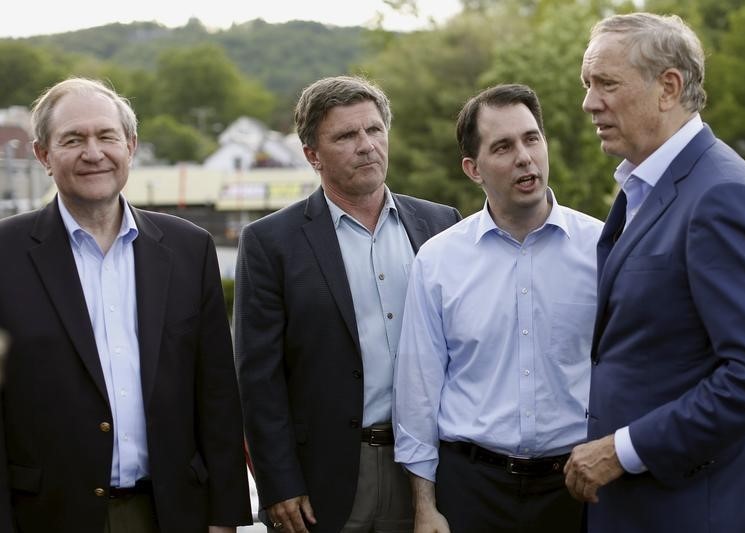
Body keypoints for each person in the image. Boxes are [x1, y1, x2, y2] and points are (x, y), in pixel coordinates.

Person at [565, 12, 745, 532]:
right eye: (587, 85)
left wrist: (622, 450)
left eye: (606, 83)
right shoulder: (646, 188)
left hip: (698, 511)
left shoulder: (721, 194)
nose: (589, 102)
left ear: (668, 87)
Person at [0, 78, 252, 532]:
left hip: (171, 513)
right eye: (72, 140)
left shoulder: (189, 248)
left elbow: (216, 391)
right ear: (43, 155)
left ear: (130, 146)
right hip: (45, 515)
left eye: (107, 136)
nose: (93, 153)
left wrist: (225, 515)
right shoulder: (5, 255)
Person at [234, 75, 461, 533]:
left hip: (431, 471)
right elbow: (259, 379)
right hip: (325, 480)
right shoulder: (269, 243)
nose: (366, 146)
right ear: (312, 155)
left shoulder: (441, 225)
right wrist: (279, 483)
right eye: (346, 136)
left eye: (374, 130)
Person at [393, 83, 602, 533]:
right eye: (503, 147)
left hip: (577, 487)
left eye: (531, 139)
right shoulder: (438, 260)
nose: (524, 157)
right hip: (472, 490)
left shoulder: (602, 249)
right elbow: (418, 391)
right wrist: (424, 505)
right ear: (473, 168)